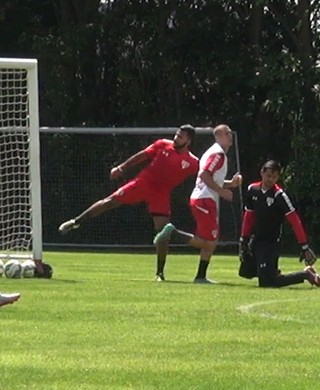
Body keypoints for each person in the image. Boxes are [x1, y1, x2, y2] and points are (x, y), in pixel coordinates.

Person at [59, 124, 199, 281]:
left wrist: (225, 184)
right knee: (109, 202)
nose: (176, 138)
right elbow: (141, 156)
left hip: (161, 194)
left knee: (163, 232)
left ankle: (160, 273)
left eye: (180, 136)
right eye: (176, 134)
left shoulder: (192, 162)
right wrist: (121, 167)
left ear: (188, 140)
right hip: (142, 183)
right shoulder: (163, 145)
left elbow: (205, 176)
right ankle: (75, 222)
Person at [154, 124, 242, 283]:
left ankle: (201, 276)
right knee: (209, 243)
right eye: (226, 133)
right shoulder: (218, 154)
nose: (230, 135)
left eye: (230, 132)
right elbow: (204, 174)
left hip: (203, 198)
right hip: (205, 200)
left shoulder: (215, 153)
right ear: (218, 137)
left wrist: (231, 184)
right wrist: (222, 191)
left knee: (209, 241)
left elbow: (211, 178)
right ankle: (173, 233)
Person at [239, 159, 318, 288]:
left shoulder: (279, 196)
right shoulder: (252, 190)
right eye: (268, 176)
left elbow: (294, 220)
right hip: (256, 240)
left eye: (274, 177)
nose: (270, 180)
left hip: (270, 243)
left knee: (267, 283)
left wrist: (304, 245)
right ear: (262, 173)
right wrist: (244, 239)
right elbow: (249, 216)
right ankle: (272, 271)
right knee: (246, 272)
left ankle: (305, 274)